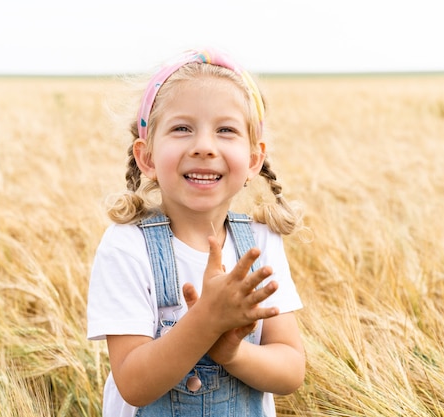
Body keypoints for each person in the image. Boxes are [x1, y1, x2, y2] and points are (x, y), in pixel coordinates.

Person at [87, 48, 305, 417]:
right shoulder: (128, 246)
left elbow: (290, 371)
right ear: (147, 157)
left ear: (254, 160)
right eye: (182, 128)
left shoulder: (261, 243)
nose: (204, 147)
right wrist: (206, 321)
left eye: (226, 130)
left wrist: (231, 351)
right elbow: (134, 384)